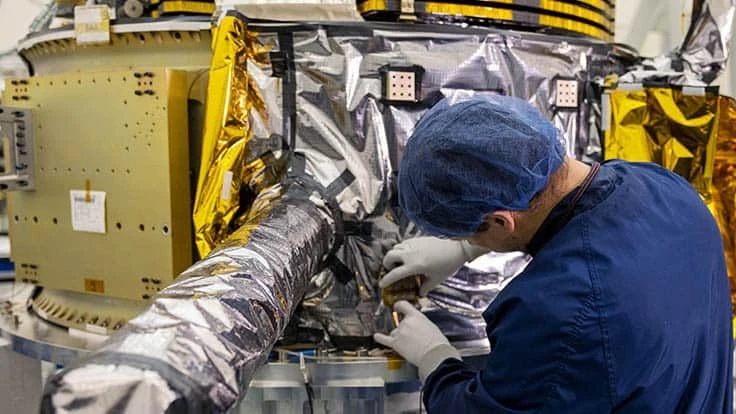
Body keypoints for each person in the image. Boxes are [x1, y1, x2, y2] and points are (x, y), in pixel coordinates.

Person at [374, 94, 733, 413]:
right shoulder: (665, 186)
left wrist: (437, 363)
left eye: (470, 232)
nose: (472, 240)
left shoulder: (558, 311)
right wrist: (466, 247)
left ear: (501, 221)